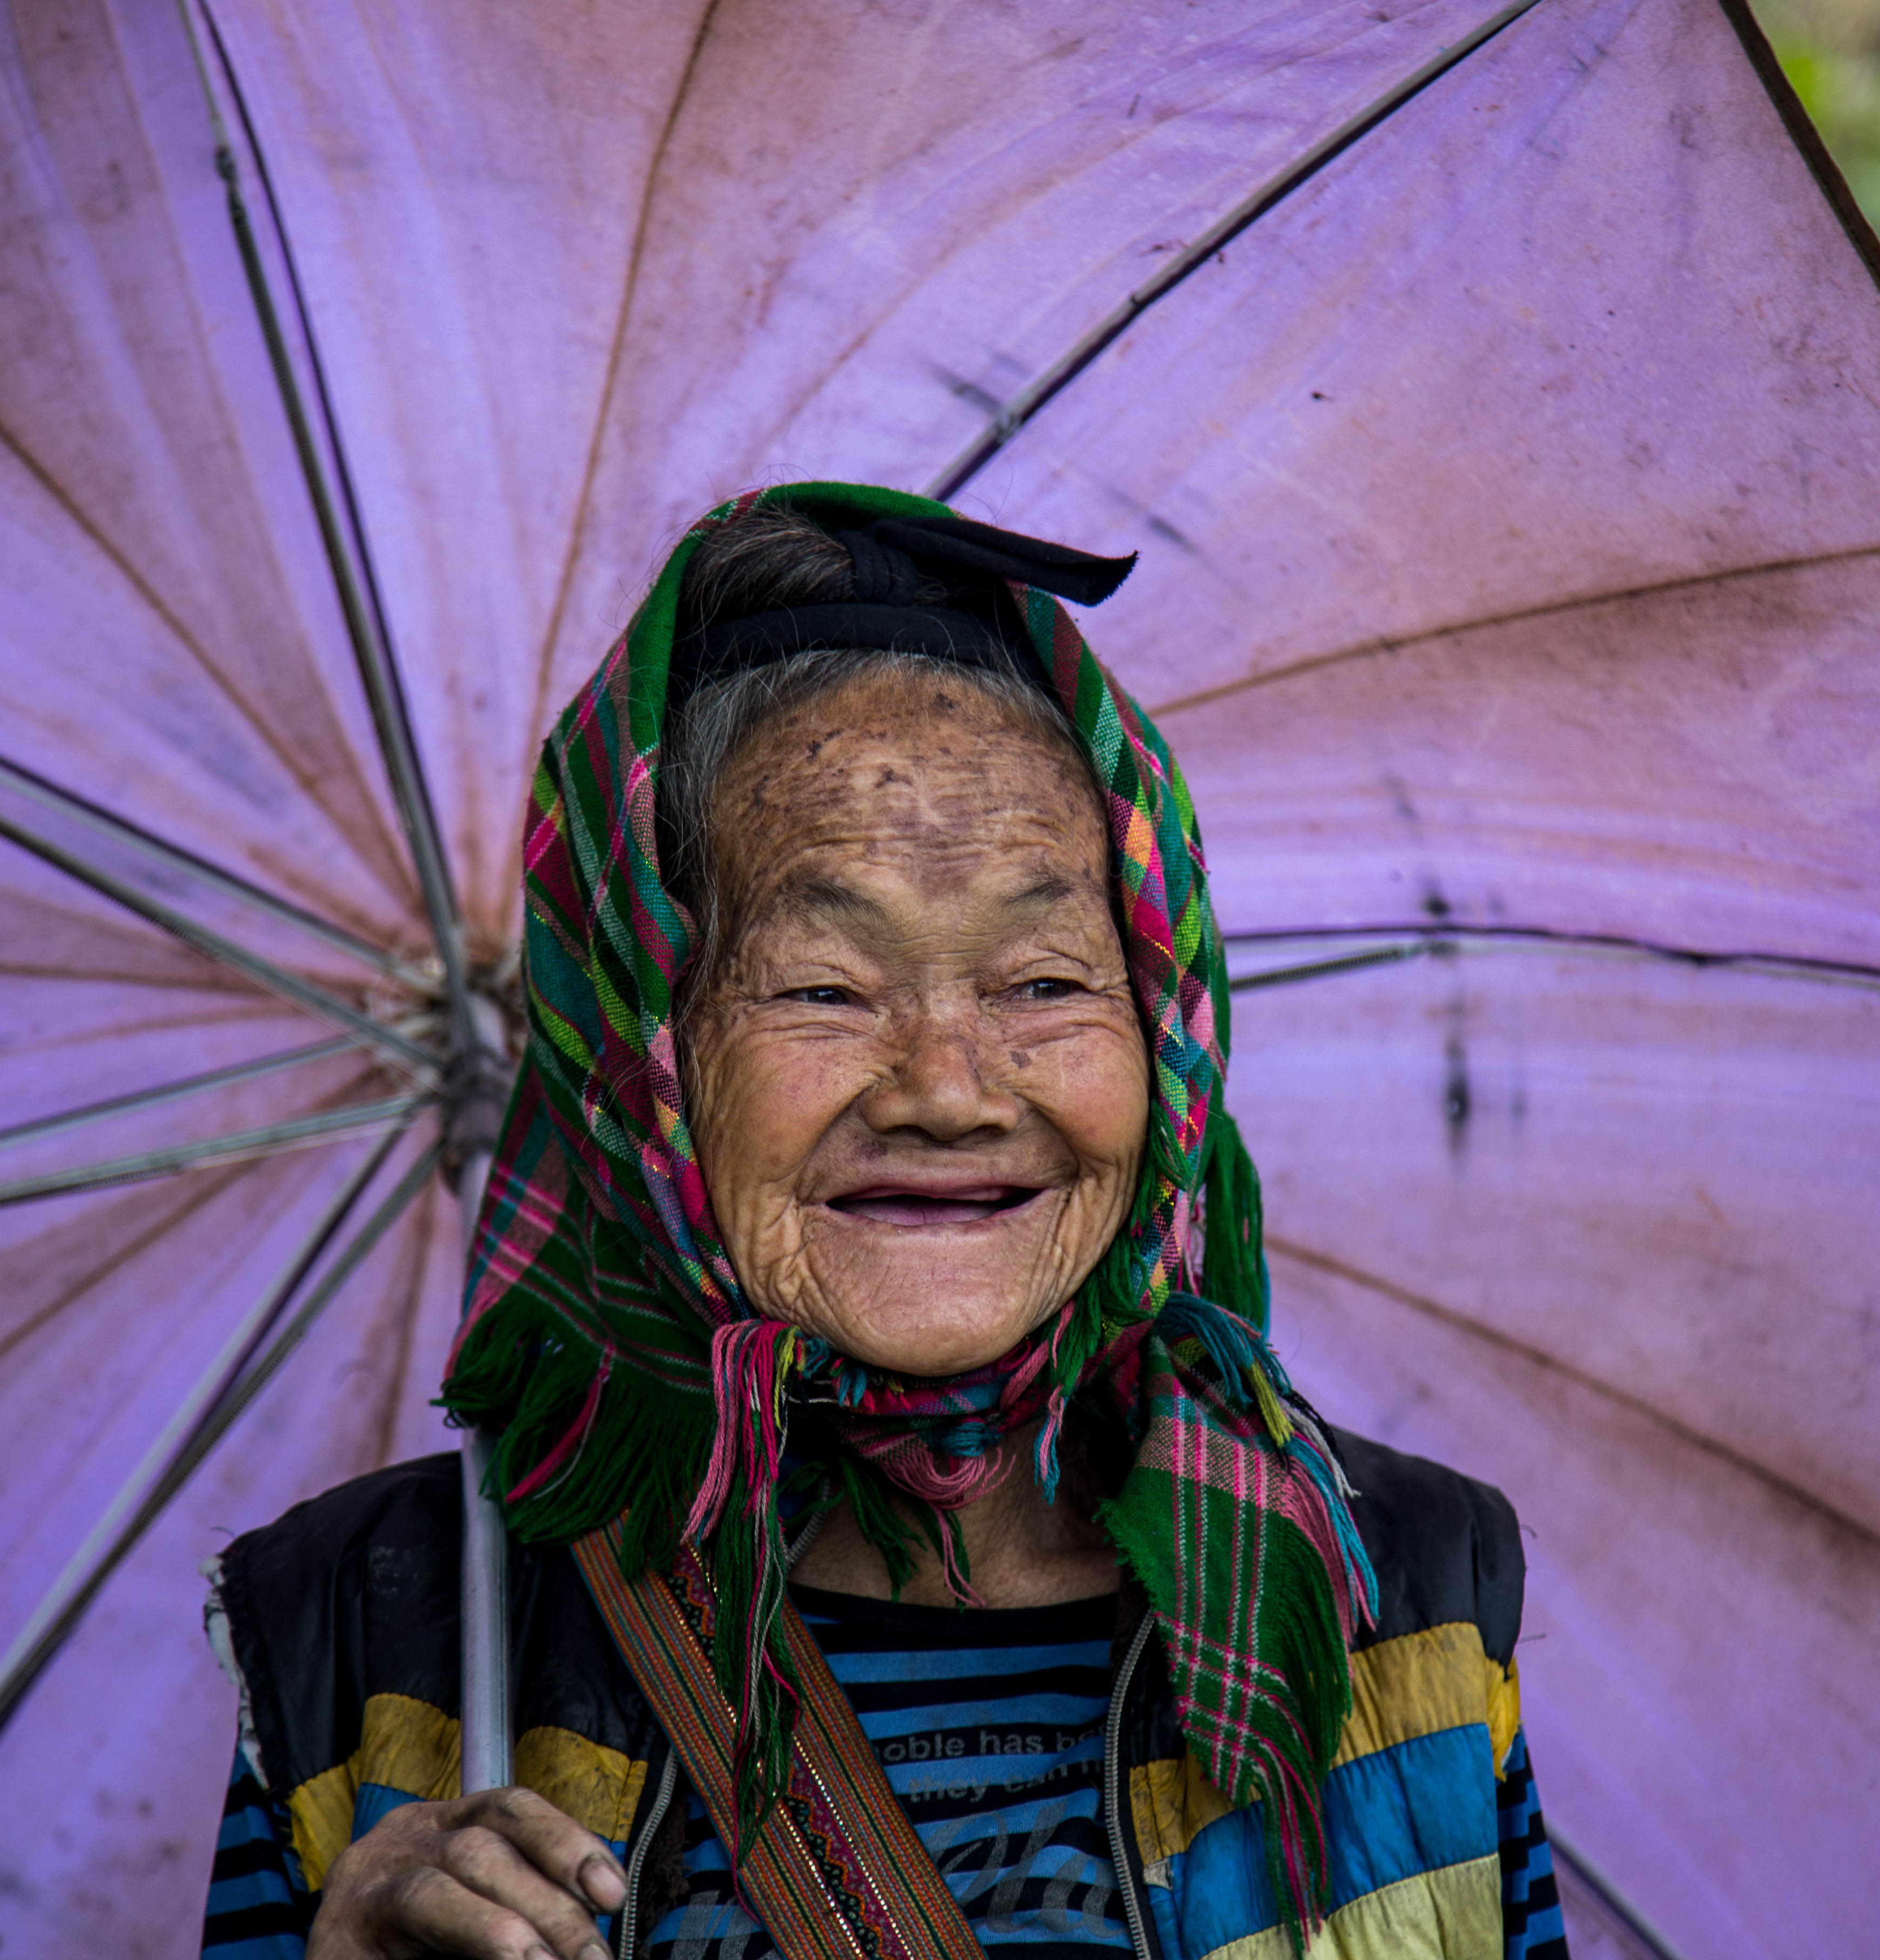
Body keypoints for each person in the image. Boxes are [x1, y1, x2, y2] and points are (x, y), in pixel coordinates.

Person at [199, 483, 1572, 1960]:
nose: (946, 1088)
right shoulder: (381, 1646)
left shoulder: (1397, 1601)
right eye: (820, 989)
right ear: (641, 1058)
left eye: (1043, 981)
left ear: (1164, 1028)